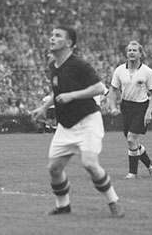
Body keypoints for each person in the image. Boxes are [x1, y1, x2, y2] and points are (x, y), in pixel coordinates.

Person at [30, 27, 123, 218]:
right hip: (66, 126)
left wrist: (73, 95)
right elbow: (57, 91)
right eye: (52, 35)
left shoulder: (79, 64)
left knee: (89, 164)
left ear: (69, 43)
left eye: (57, 36)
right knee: (54, 168)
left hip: (88, 121)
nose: (52, 38)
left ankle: (114, 202)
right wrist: (44, 107)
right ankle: (63, 206)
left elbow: (99, 88)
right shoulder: (53, 65)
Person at [108, 40, 152, 179]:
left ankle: (132, 173)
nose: (131, 52)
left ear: (140, 54)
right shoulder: (119, 70)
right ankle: (150, 164)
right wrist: (112, 106)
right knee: (132, 141)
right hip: (126, 106)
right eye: (129, 50)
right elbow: (112, 90)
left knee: (131, 139)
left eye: (134, 50)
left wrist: (149, 111)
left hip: (141, 107)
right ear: (126, 53)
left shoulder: (147, 72)